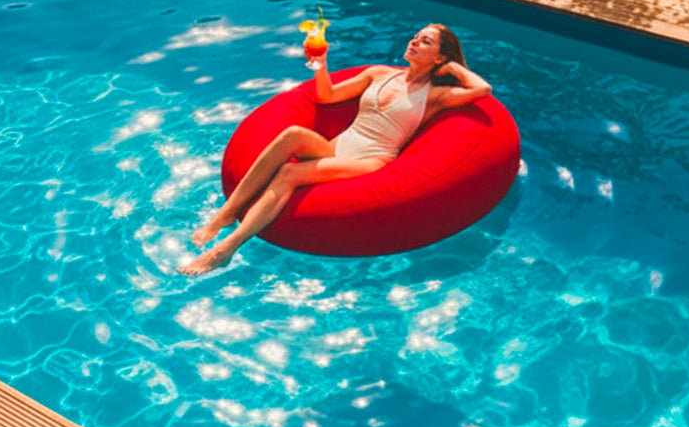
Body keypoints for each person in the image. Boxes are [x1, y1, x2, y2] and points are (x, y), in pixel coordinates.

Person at [179, 23, 492, 275]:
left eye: (425, 42)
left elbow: (482, 89)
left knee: (290, 172)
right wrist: (321, 64)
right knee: (291, 134)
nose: (413, 42)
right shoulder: (378, 74)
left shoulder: (436, 95)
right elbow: (327, 96)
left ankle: (225, 249)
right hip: (334, 148)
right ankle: (226, 213)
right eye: (415, 37)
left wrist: (451, 68)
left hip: (371, 159)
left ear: (439, 57)